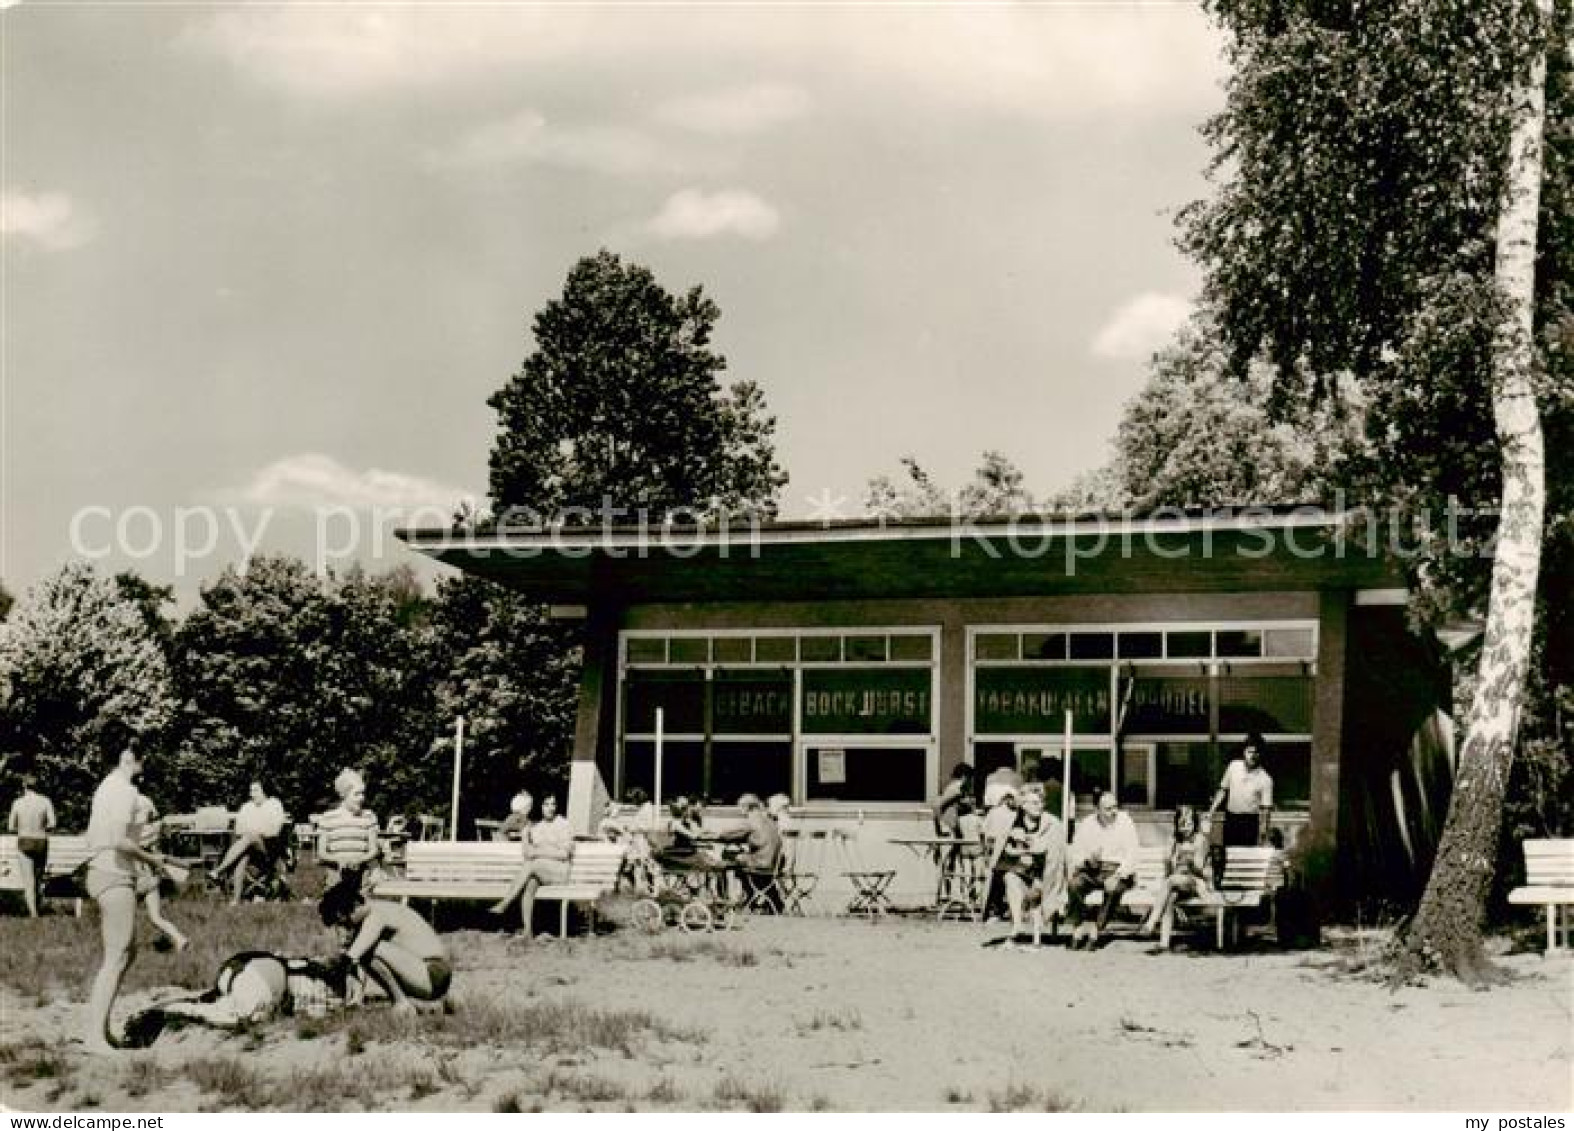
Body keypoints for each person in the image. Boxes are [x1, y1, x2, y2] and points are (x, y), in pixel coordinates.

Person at [83, 739, 173, 1052]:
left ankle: (102, 1031)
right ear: (126, 756)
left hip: (106, 871)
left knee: (126, 952)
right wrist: (153, 861)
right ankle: (94, 1036)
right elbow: (120, 841)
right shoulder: (124, 790)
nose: (144, 759)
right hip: (113, 873)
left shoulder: (107, 787)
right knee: (117, 955)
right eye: (140, 753)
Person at [120, 950, 352, 1046]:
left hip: (244, 967)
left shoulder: (312, 969)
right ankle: (163, 1012)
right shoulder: (325, 987)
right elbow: (315, 1012)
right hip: (263, 976)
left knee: (214, 1002)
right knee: (241, 1017)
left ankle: (166, 1008)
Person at [321, 874, 452, 1010]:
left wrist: (326, 971)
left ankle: (402, 1003)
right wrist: (353, 1001)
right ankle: (427, 1003)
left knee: (368, 950)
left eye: (346, 922)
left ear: (353, 908)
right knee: (364, 952)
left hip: (432, 973)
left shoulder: (376, 916)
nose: (347, 928)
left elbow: (352, 957)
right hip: (429, 973)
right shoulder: (376, 909)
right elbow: (356, 961)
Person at [990, 784, 1066, 948]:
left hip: (1045, 875)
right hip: (1021, 872)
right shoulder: (1013, 823)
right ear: (1023, 805)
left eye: (1040, 802)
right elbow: (1005, 851)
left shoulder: (1052, 823)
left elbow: (1054, 855)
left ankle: (1024, 927)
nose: (1039, 806)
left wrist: (1027, 845)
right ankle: (1017, 925)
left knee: (1032, 886)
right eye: (1033, 803)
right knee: (1010, 878)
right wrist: (1020, 847)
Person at [489, 794, 572, 939]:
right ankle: (528, 931)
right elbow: (528, 854)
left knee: (533, 864)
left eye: (553, 804)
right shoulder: (536, 827)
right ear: (540, 807)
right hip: (540, 871)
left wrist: (539, 852)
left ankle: (505, 902)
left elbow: (564, 854)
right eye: (546, 804)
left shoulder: (563, 824)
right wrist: (525, 837)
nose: (550, 808)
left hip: (560, 872)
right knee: (530, 884)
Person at [1065, 790, 1141, 950]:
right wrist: (1087, 859)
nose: (1113, 812)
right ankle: (1078, 925)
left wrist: (1119, 874)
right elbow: (1076, 852)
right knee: (1074, 884)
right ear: (1097, 809)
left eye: (1115, 807)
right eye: (1108, 808)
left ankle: (1096, 928)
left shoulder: (1125, 822)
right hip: (1093, 869)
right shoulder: (1087, 824)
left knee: (1113, 889)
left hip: (1118, 870)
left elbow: (1133, 854)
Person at [1139, 805, 1212, 950]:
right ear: (1177, 825)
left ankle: (1151, 922)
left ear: (1195, 823)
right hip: (1176, 883)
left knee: (1171, 881)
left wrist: (1190, 856)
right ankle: (1164, 943)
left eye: (1189, 824)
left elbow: (1199, 869)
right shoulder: (1173, 840)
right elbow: (1169, 871)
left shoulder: (1200, 840)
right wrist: (1168, 859)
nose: (1185, 828)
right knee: (1170, 897)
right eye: (1182, 824)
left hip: (1196, 882)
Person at [209, 780, 289, 904]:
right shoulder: (247, 807)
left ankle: (219, 871)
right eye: (251, 791)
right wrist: (257, 830)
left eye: (256, 790)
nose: (252, 794)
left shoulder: (274, 804)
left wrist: (255, 831)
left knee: (250, 837)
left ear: (264, 791)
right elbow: (238, 830)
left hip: (270, 850)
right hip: (250, 848)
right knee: (242, 855)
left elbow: (273, 832)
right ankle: (235, 900)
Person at [132, 793, 188, 953]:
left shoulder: (133, 835)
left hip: (135, 877)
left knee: (121, 916)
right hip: (151, 877)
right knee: (156, 917)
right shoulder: (152, 832)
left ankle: (124, 946)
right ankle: (179, 938)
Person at [712, 793, 784, 911]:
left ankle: (723, 898)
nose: (740, 810)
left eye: (740, 807)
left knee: (725, 858)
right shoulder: (769, 820)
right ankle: (750, 894)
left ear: (747, 807)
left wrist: (713, 834)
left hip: (761, 863)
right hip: (773, 863)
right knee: (739, 859)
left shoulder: (751, 820)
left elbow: (727, 834)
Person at [316, 768, 381, 891]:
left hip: (362, 875)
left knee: (361, 908)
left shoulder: (368, 817)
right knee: (336, 906)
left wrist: (359, 860)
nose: (361, 798)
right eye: (356, 794)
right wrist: (339, 860)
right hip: (336, 874)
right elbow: (321, 852)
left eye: (363, 793)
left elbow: (373, 850)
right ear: (343, 795)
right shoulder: (328, 818)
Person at [1209, 732, 1274, 848]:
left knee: (1247, 856)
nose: (1252, 756)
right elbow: (1223, 790)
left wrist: (1263, 833)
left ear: (1261, 754)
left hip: (1249, 823)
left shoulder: (1265, 779)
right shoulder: (1234, 766)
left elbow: (1266, 811)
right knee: (1227, 855)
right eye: (1249, 752)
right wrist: (1211, 811)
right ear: (1244, 752)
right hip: (1231, 819)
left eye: (1256, 752)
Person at [7, 772, 56, 918]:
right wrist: (41, 826)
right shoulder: (45, 801)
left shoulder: (17, 802)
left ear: (24, 785)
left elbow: (10, 827)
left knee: (29, 881)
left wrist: (22, 828)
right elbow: (53, 823)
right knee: (38, 878)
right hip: (40, 840)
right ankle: (39, 909)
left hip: (24, 841)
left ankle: (33, 914)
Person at [931, 763, 974, 837]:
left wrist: (938, 830)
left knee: (958, 841)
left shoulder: (951, 786)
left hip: (945, 818)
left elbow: (936, 806)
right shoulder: (961, 785)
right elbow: (961, 800)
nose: (971, 781)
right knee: (959, 840)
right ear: (964, 776)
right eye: (970, 778)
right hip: (951, 817)